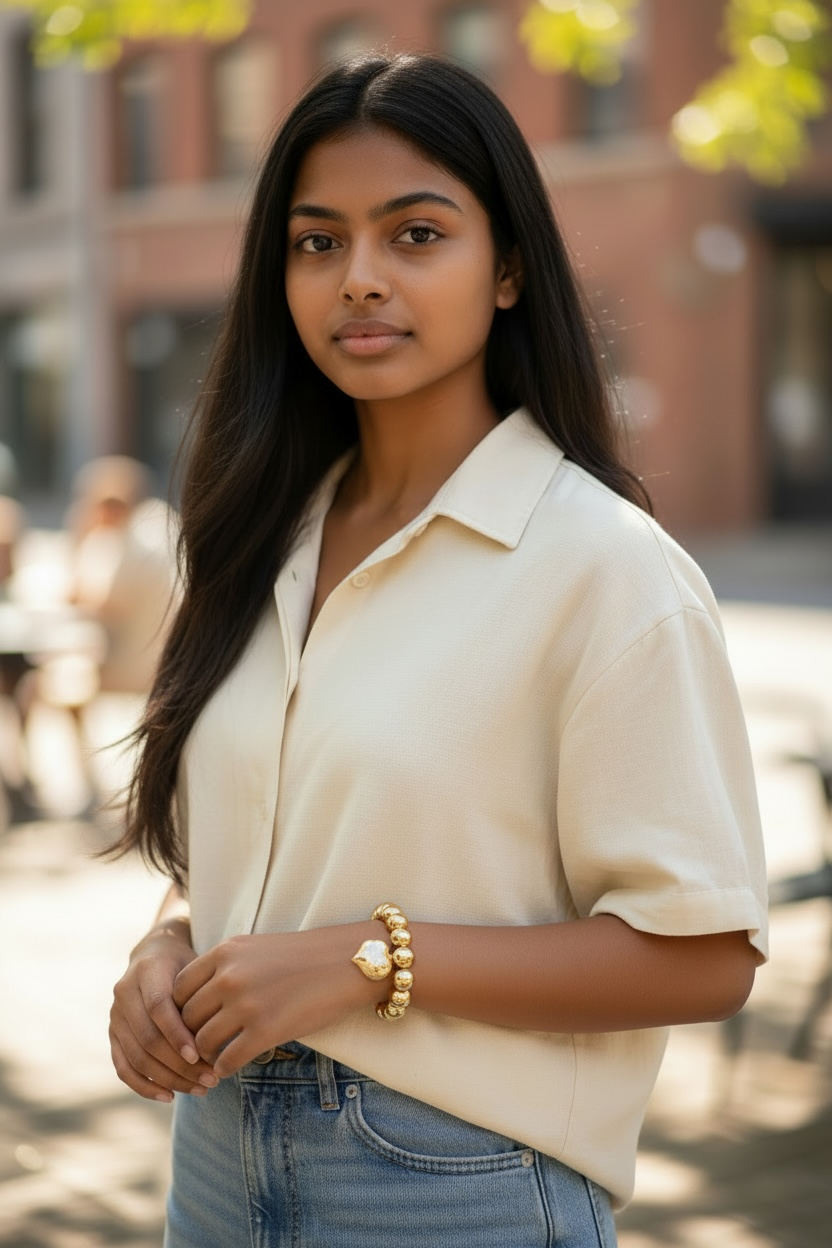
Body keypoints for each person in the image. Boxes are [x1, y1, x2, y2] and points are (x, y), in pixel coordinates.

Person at [108, 54, 768, 1247]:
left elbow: (704, 955)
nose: (358, 280)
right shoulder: (260, 538)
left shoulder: (602, 567)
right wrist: (170, 949)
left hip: (450, 1184)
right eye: (317, 243)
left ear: (507, 266)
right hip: (211, 1159)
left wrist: (372, 961)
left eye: (415, 234)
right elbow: (272, 845)